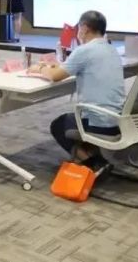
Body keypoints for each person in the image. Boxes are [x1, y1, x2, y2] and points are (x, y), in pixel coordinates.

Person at [39, 11, 124, 166]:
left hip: (98, 122)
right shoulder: (112, 49)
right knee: (73, 119)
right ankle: (92, 154)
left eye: (79, 28)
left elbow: (55, 76)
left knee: (59, 124)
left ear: (84, 28)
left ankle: (89, 161)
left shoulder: (84, 50)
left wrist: (39, 69)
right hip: (119, 120)